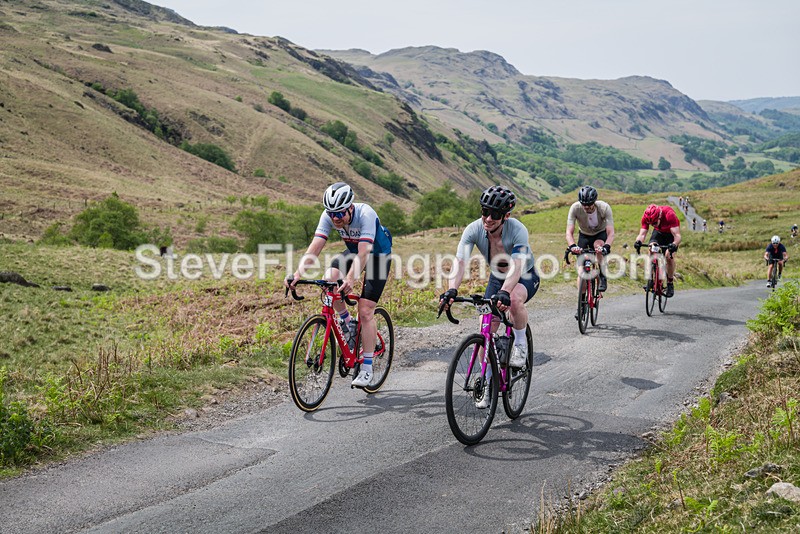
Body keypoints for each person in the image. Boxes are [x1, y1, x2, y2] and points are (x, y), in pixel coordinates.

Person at [285, 182, 392, 388]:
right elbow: (315, 246)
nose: (335, 218)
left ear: (350, 207)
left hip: (377, 256)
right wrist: (298, 274)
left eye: (340, 214)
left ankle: (367, 367)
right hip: (354, 252)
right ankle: (346, 321)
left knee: (366, 309)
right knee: (329, 279)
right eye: (331, 213)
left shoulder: (366, 214)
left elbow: (364, 253)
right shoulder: (329, 216)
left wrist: (351, 278)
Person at [439, 185, 540, 378]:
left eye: (494, 214)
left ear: (506, 216)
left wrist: (506, 292)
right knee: (485, 328)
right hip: (497, 277)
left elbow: (517, 266)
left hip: (525, 275)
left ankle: (520, 345)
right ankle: (486, 381)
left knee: (515, 300)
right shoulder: (474, 229)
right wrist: (451, 289)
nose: (488, 218)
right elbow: (460, 262)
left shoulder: (518, 230)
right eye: (485, 212)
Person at [565, 185, 615, 292]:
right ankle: (582, 302)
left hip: (599, 234)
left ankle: (602, 275)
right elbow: (569, 232)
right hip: (584, 235)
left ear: (594, 202)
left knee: (598, 247)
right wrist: (572, 246)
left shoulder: (604, 208)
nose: (586, 208)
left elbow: (610, 232)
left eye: (589, 205)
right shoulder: (575, 208)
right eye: (584, 205)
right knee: (581, 270)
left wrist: (606, 246)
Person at [635, 204, 682, 298]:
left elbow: (677, 235)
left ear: (659, 216)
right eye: (651, 224)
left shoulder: (669, 214)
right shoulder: (646, 217)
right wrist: (638, 242)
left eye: (655, 222)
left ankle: (670, 283)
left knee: (668, 257)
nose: (653, 224)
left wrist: (674, 244)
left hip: (671, 235)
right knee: (651, 249)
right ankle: (651, 280)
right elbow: (642, 234)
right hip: (658, 233)